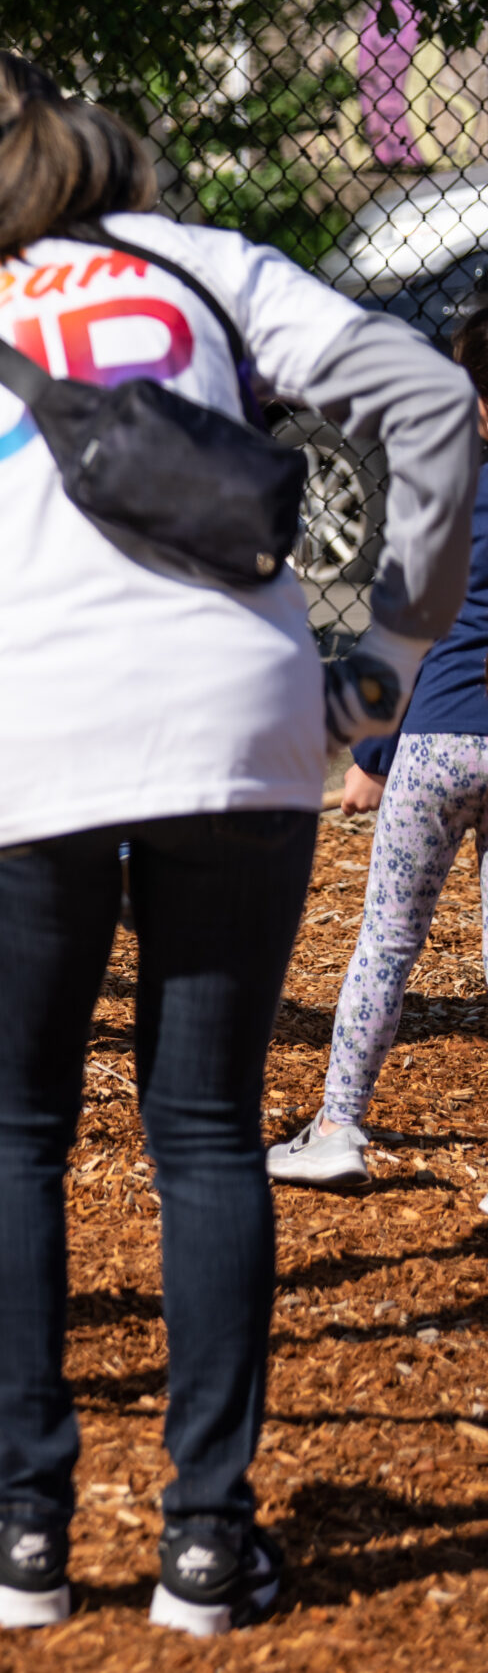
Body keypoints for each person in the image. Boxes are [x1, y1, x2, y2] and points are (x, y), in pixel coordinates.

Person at [0, 49, 474, 1638]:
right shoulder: (200, 263)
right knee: (203, 1130)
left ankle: (26, 1531)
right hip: (241, 728)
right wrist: (386, 667)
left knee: (17, 1134)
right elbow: (433, 401)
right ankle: (208, 1543)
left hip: (17, 736)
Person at [273, 309, 488, 1188]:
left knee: (388, 943)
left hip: (436, 743)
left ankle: (338, 1127)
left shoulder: (443, 494)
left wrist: (373, 758)